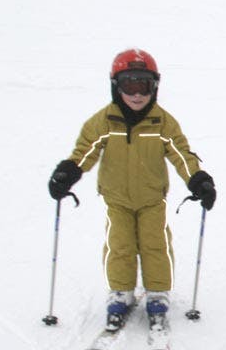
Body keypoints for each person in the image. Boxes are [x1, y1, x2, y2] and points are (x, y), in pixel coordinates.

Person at [47, 48, 216, 332]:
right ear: (116, 86)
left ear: (155, 87)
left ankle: (158, 293)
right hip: (117, 199)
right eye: (130, 85)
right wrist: (68, 172)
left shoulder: (162, 122)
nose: (137, 95)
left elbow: (180, 153)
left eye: (144, 86)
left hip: (152, 198)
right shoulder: (104, 121)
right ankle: (121, 292)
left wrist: (197, 179)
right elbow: (84, 150)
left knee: (155, 246)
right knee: (120, 246)